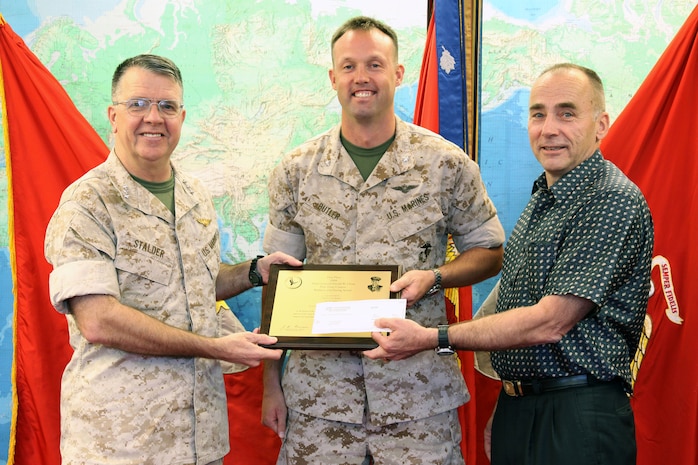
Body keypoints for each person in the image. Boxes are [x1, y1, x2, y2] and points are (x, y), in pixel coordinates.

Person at [365, 63, 654, 465]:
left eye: (567, 113)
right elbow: (522, 308)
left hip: (577, 415)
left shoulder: (608, 200)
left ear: (601, 123)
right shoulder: (545, 197)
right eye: (538, 113)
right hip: (525, 408)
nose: (548, 128)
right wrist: (512, 400)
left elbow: (550, 322)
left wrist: (432, 337)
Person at [261, 16, 505, 465]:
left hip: (418, 402)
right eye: (349, 66)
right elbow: (278, 282)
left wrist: (436, 276)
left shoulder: (445, 164)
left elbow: (490, 253)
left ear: (397, 73)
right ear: (333, 77)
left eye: (374, 64)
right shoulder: (295, 171)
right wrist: (270, 384)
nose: (362, 78)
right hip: (320, 402)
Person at [44, 54, 302, 465]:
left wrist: (255, 272)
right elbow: (97, 319)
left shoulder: (194, 195)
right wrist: (216, 347)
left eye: (167, 106)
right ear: (113, 115)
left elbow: (195, 283)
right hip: (120, 444)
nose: (154, 117)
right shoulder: (87, 203)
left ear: (181, 117)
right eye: (138, 104)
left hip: (201, 439)